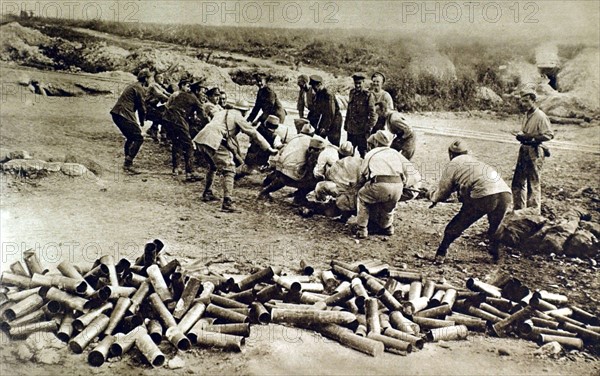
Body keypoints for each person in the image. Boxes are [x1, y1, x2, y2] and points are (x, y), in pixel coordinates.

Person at [429, 140, 512, 265]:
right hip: (505, 193)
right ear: (467, 152)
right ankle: (496, 256)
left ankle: (441, 253)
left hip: (485, 196)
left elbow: (444, 190)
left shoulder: (453, 164)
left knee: (458, 223)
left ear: (451, 154)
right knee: (495, 227)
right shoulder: (476, 161)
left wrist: (433, 198)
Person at [193, 100, 277, 212]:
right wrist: (268, 148)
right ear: (245, 111)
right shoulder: (238, 116)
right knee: (229, 170)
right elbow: (253, 133)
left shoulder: (222, 112)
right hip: (215, 141)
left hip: (201, 138)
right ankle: (227, 203)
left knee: (213, 166)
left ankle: (207, 193)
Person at [354, 130, 405, 239]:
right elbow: (406, 173)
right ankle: (387, 227)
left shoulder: (371, 153)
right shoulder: (395, 153)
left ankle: (362, 228)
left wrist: (360, 185)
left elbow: (363, 174)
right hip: (398, 184)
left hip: (381, 184)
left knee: (362, 197)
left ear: (376, 142)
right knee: (389, 205)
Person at [511, 89, 554, 215]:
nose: (524, 104)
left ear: (534, 101)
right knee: (518, 182)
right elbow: (525, 133)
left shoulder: (540, 116)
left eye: (526, 101)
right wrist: (521, 136)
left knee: (533, 183)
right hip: (524, 149)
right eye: (522, 101)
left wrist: (531, 137)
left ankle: (533, 213)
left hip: (534, 150)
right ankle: (518, 212)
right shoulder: (526, 115)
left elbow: (549, 135)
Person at [258, 132, 325, 205]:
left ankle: (265, 191)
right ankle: (299, 197)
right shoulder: (312, 153)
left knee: (282, 179)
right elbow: (311, 171)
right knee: (316, 182)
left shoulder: (297, 140)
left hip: (280, 169)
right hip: (289, 175)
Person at [162, 81, 205, 182]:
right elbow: (203, 115)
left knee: (177, 142)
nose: (203, 94)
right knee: (189, 145)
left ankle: (176, 168)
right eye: (202, 92)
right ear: (197, 91)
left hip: (167, 118)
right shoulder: (194, 99)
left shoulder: (181, 94)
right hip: (178, 120)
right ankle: (190, 172)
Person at [110, 68, 151, 174]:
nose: (150, 81)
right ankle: (127, 164)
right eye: (149, 78)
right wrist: (142, 122)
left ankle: (128, 162)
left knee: (131, 137)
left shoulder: (133, 85)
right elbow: (142, 107)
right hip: (123, 114)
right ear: (146, 78)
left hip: (117, 113)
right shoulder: (139, 88)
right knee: (138, 138)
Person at [344, 73, 377, 157]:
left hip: (362, 130)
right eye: (356, 83)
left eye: (359, 83)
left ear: (363, 82)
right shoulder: (352, 93)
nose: (357, 85)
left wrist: (369, 127)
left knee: (364, 153)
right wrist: (346, 123)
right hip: (351, 129)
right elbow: (349, 109)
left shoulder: (368, 95)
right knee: (349, 152)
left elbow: (373, 114)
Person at [308, 75, 343, 146]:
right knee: (318, 139)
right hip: (325, 118)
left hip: (334, 120)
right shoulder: (318, 94)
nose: (313, 89)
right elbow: (317, 110)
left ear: (319, 85)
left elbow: (331, 113)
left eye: (314, 87)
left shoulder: (328, 95)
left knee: (333, 143)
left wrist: (325, 127)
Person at [145, 72, 171, 142]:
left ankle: (153, 130)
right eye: (160, 77)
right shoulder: (153, 85)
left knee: (165, 112)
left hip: (154, 106)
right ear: (156, 78)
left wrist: (174, 96)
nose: (162, 79)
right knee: (163, 117)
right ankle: (159, 133)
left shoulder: (160, 86)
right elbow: (159, 94)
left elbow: (166, 93)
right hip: (148, 106)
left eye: (162, 77)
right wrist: (169, 99)